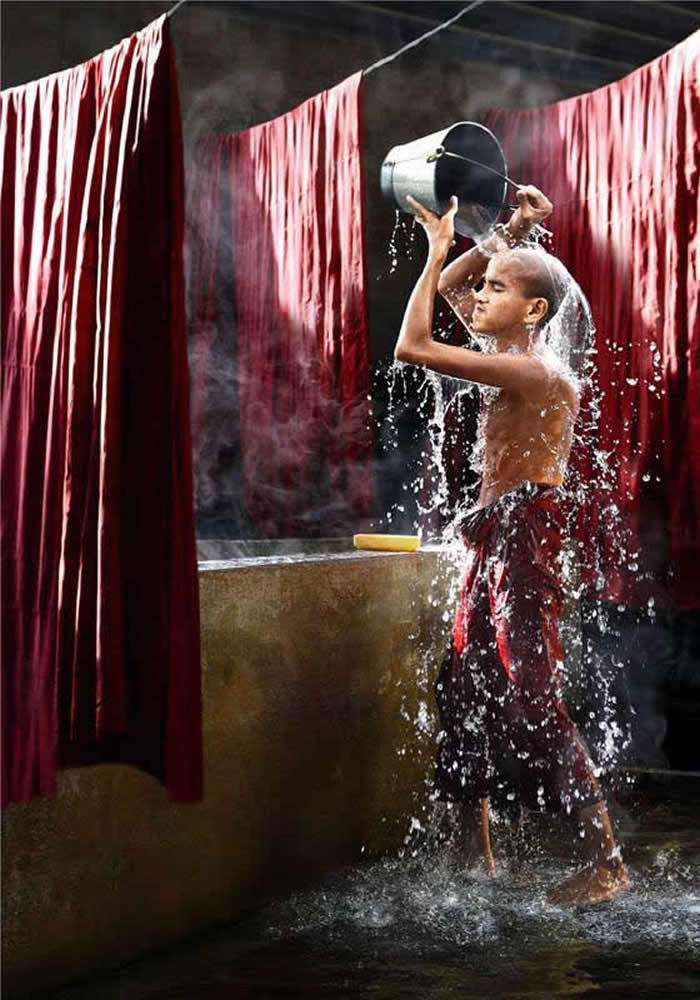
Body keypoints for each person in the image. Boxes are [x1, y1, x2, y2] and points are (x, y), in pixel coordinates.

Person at [393, 186, 630, 905]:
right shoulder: (511, 354)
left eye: (497, 288)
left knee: (531, 693)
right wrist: (506, 233)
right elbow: (458, 294)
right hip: (495, 533)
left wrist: (439, 252)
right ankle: (476, 851)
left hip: (526, 531)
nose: (477, 293)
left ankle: (607, 861)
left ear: (533, 312)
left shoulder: (534, 371)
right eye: (482, 284)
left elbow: (413, 345)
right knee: (464, 683)